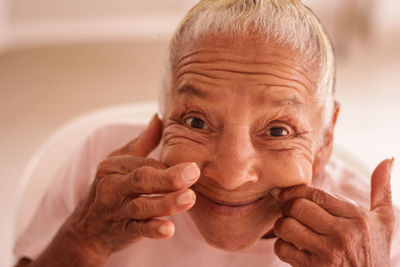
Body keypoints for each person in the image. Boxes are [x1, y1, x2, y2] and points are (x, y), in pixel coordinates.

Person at [14, 0, 400, 266]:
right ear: (162, 117)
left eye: (278, 130)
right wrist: (85, 240)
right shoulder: (103, 164)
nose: (231, 175)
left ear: (325, 139)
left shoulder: (371, 238)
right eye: (197, 122)